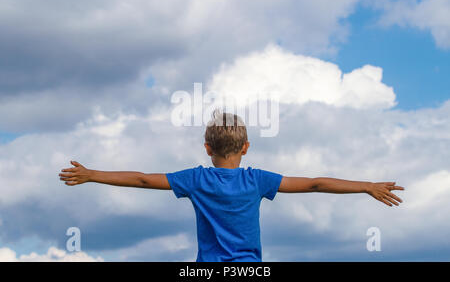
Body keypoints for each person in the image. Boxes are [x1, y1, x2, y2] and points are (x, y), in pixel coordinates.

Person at [59, 111, 404, 262]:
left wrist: (93, 174)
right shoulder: (258, 181)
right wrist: (366, 186)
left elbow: (142, 179)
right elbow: (314, 184)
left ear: (206, 148)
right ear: (246, 147)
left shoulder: (195, 180)